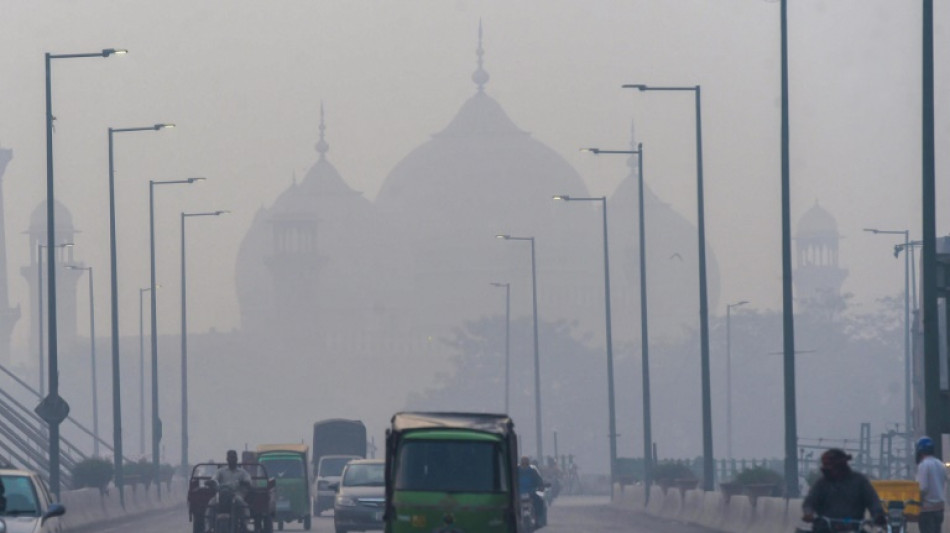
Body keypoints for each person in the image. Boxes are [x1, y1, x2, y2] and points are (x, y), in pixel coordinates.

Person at [802, 448, 885, 531]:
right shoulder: (821, 484)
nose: (827, 469)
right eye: (825, 465)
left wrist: (878, 515)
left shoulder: (860, 481)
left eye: (830, 466)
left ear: (842, 466)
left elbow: (873, 501)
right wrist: (808, 513)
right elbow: (810, 501)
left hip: (853, 527)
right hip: (824, 528)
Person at [915, 436, 946, 533]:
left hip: (927, 510)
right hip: (939, 509)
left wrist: (915, 500)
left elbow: (923, 488)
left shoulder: (924, 465)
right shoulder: (940, 464)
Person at [518, 456, 547, 527]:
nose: (524, 464)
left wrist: (541, 486)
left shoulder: (533, 471)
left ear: (528, 463)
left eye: (526, 463)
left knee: (540, 502)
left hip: (531, 493)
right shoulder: (516, 470)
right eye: (523, 462)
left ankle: (538, 519)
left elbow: (539, 481)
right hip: (518, 494)